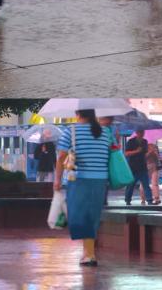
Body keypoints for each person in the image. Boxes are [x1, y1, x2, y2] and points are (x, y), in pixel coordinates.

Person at [54, 109, 113, 266]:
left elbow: (61, 157)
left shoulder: (71, 130)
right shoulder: (105, 132)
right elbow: (110, 151)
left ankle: (88, 253)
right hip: (101, 180)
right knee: (92, 215)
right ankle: (89, 253)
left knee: (77, 215)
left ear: (78, 114)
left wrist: (57, 180)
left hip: (78, 179)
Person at [124, 130, 155, 205]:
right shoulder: (131, 141)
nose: (142, 134)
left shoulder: (145, 142)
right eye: (140, 132)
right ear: (136, 132)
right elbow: (126, 153)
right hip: (133, 167)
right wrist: (136, 151)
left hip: (142, 167)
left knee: (146, 185)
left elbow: (144, 155)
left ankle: (149, 200)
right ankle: (128, 200)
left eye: (143, 132)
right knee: (130, 185)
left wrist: (150, 153)